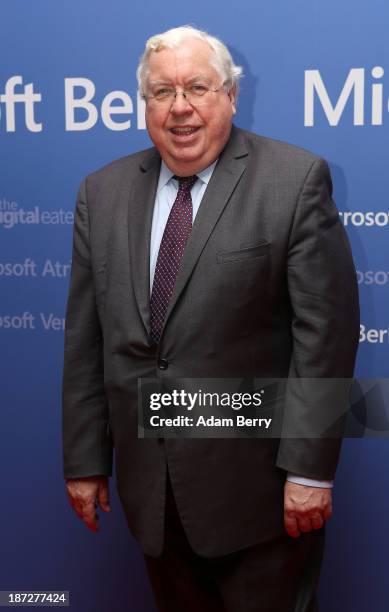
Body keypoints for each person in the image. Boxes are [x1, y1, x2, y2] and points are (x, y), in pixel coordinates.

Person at [62, 26, 359, 611]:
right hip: (152, 494)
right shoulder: (102, 193)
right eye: (160, 92)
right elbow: (86, 341)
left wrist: (310, 472)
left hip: (263, 499)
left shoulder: (294, 181)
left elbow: (325, 337)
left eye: (197, 87)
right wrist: (86, 460)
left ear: (230, 94)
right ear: (143, 103)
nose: (180, 108)